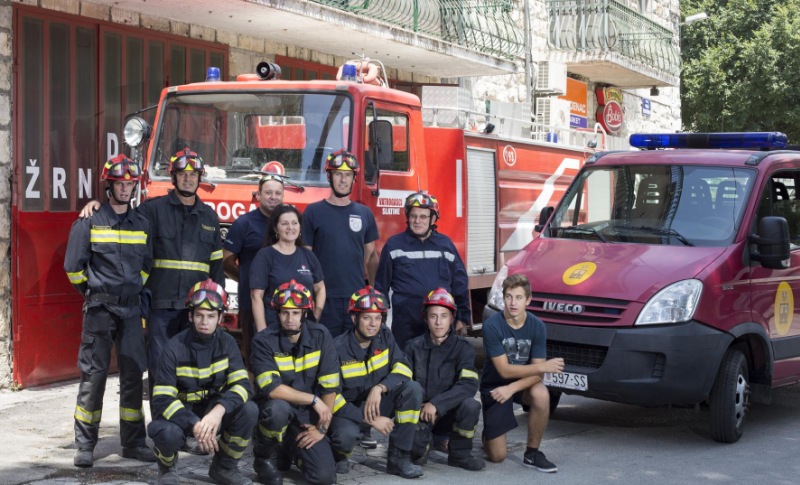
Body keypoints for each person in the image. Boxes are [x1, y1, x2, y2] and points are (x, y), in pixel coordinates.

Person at [80, 148, 225, 429]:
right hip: (161, 308)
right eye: (182, 174)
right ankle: (162, 429)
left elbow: (217, 269)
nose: (188, 179)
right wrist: (97, 204)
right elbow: (120, 214)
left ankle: (192, 428)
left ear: (200, 178)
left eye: (193, 175)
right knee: (160, 370)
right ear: (173, 177)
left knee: (196, 371)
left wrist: (216, 309)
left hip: (198, 311)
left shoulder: (209, 216)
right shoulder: (152, 210)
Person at [64, 155, 156, 467]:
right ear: (109, 186)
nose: (126, 188)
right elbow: (73, 267)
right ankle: (85, 445)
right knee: (93, 377)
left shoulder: (142, 224)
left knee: (133, 376)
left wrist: (130, 288)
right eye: (120, 184)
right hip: (100, 311)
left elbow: (146, 265)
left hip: (131, 312)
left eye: (130, 184)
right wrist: (94, 292)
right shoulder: (89, 221)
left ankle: (133, 443)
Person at [147, 280, 257, 485]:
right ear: (190, 316)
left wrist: (219, 411)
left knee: (249, 410)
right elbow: (162, 398)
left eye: (211, 316)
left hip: (212, 413)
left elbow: (243, 386)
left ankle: (224, 467)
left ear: (221, 317)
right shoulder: (173, 347)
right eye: (199, 315)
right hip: (182, 416)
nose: (204, 321)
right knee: (164, 431)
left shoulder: (228, 343)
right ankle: (167, 469)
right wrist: (194, 423)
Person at [250, 280, 345, 485]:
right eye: (285, 312)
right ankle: (264, 457)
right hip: (276, 409)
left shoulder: (321, 336)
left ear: (304, 313)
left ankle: (290, 450)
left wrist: (321, 428)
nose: (290, 318)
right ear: (277, 313)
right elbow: (271, 388)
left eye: (295, 313)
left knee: (324, 477)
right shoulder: (263, 340)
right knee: (277, 409)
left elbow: (330, 385)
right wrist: (313, 399)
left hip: (306, 415)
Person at [330, 287, 424, 479]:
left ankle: (399, 457)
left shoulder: (385, 335)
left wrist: (380, 387)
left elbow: (404, 367)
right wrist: (370, 420)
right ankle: (338, 455)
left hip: (378, 401)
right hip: (348, 410)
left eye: (378, 318)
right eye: (367, 318)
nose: (373, 324)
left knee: (412, 389)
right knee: (344, 437)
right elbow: (332, 399)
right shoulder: (337, 349)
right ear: (354, 318)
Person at [480, 274, 565, 472]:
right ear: (503, 298)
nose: (513, 303)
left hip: (520, 385)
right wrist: (542, 367)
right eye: (508, 297)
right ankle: (489, 434)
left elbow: (538, 376)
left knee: (541, 393)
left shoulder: (537, 326)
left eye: (518, 297)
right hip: (495, 386)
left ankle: (532, 454)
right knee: (497, 456)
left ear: (528, 299)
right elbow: (504, 370)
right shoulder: (492, 326)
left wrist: (512, 388)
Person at [375, 191, 470, 349]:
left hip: (439, 323)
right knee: (405, 361)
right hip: (406, 324)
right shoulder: (394, 245)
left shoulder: (446, 245)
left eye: (423, 216)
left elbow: (460, 284)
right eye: (413, 216)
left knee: (441, 361)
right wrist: (380, 317)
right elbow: (381, 286)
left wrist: (462, 318)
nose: (417, 221)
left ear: (433, 219)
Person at [404, 288, 485, 471]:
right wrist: (421, 407)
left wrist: (437, 404)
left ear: (452, 318)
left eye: (444, 316)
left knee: (471, 405)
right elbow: (404, 387)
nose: (438, 322)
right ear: (426, 319)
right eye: (433, 316)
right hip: (421, 414)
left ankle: (460, 455)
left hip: (448, 413)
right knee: (417, 456)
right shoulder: (412, 348)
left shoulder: (463, 348)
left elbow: (468, 385)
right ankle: (427, 443)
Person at [302, 150, 378, 338]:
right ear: (329, 176)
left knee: (355, 350)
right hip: (324, 299)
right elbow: (306, 258)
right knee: (324, 349)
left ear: (354, 178)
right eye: (338, 174)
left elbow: (371, 256)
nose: (343, 180)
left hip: (357, 298)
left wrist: (373, 291)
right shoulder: (312, 212)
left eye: (348, 175)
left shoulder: (365, 213)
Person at [223, 172, 285, 367]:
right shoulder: (243, 224)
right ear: (258, 195)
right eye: (268, 193)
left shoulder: (289, 224)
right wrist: (250, 281)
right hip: (252, 304)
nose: (273, 197)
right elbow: (226, 262)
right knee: (255, 357)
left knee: (284, 358)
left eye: (278, 193)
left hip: (287, 305)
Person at [250, 205, 325, 331]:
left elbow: (320, 288)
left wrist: (316, 316)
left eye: (294, 223)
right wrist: (262, 332)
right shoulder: (265, 256)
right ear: (276, 228)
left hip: (304, 330)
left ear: (299, 227)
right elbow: (256, 296)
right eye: (285, 223)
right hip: (273, 329)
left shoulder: (308, 255)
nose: (290, 227)